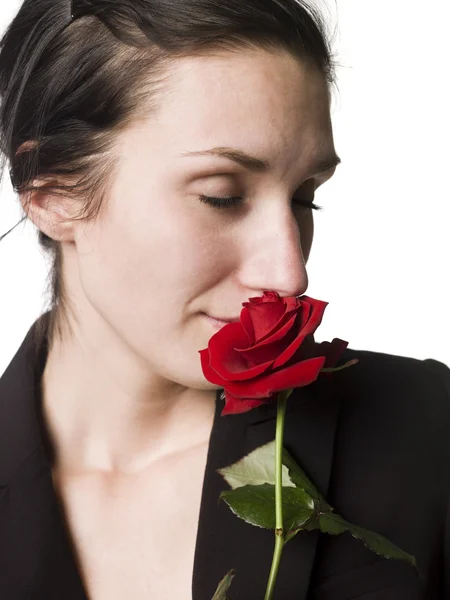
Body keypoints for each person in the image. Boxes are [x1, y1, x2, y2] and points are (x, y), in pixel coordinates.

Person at [0, 0, 449, 599]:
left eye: (304, 197)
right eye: (221, 196)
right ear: (52, 193)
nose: (290, 275)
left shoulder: (422, 431)